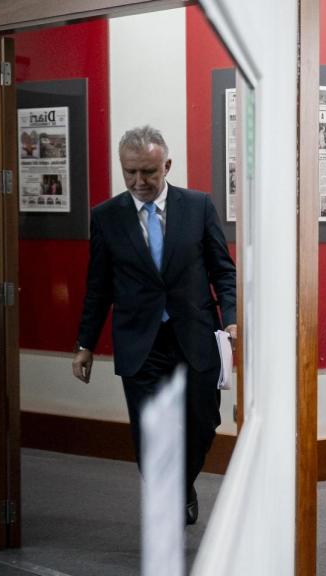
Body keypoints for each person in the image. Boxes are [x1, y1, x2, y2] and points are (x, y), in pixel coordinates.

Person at [71, 125, 237, 526]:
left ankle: (182, 486)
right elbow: (99, 286)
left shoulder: (197, 207)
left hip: (194, 335)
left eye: (148, 172)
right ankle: (167, 497)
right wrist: (85, 343)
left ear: (167, 166)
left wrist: (231, 320)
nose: (139, 182)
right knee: (150, 432)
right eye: (130, 172)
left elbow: (223, 271)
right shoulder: (107, 217)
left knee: (202, 423)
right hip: (139, 341)